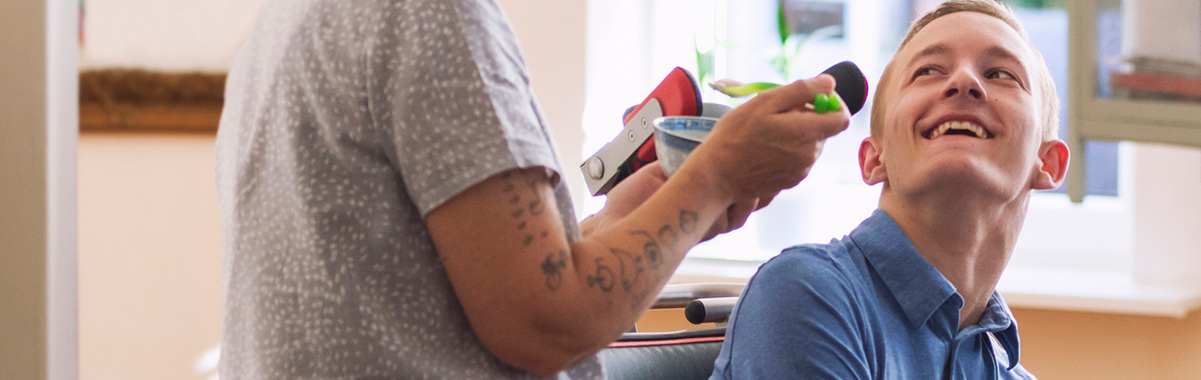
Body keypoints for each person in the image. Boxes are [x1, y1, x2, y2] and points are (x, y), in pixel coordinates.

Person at [213, 0, 848, 378]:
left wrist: (640, 214)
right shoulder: (430, 16)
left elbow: (475, 279)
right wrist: (719, 175)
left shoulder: (280, 29)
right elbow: (544, 321)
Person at [709, 1, 1066, 378]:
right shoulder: (806, 294)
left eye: (1000, 74)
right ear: (874, 159)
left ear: (1050, 164)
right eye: (927, 71)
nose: (964, 82)